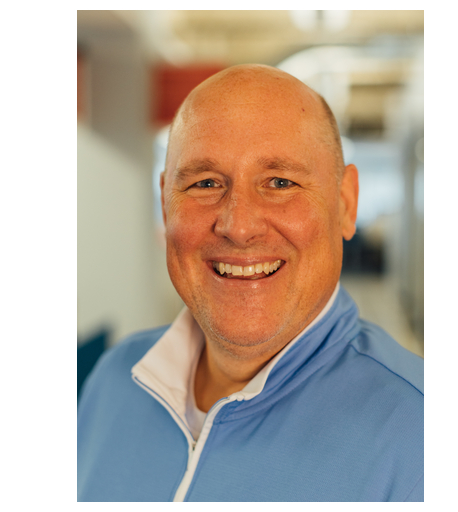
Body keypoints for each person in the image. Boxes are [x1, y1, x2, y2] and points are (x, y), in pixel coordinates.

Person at [77, 64, 423, 502]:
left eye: (280, 182)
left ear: (345, 202)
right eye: (205, 183)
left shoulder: (421, 437)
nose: (238, 226)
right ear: (165, 205)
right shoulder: (113, 382)